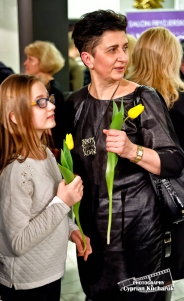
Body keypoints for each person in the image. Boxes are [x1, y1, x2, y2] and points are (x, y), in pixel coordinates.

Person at [65, 10, 184, 301]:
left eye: (125, 48)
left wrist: (133, 150)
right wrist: (74, 225)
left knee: (147, 298)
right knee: (97, 295)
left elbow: (174, 161)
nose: (123, 58)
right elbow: (70, 167)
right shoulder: (75, 104)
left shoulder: (144, 97)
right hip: (94, 234)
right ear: (88, 59)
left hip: (143, 233)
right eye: (112, 50)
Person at [0, 74, 91, 301]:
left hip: (48, 273)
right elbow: (18, 243)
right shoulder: (15, 171)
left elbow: (49, 206)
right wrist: (64, 202)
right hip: (26, 283)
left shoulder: (43, 152)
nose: (51, 105)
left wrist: (72, 229)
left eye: (49, 98)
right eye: (41, 102)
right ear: (15, 117)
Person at [127, 27, 184, 285]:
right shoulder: (179, 102)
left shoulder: (123, 99)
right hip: (174, 204)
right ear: (172, 58)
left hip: (132, 206)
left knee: (139, 281)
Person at [24, 41, 65, 150]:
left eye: (30, 59)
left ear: (43, 61)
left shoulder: (53, 90)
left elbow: (57, 129)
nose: (25, 63)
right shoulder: (45, 86)